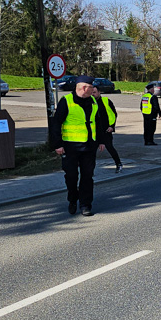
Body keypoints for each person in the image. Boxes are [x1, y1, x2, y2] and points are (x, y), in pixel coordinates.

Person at [51, 76, 109, 216]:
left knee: (87, 176)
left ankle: (85, 205)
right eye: (91, 87)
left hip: (89, 146)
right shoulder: (66, 101)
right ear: (84, 88)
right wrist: (58, 144)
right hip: (70, 147)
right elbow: (56, 123)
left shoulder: (93, 101)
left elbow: (98, 122)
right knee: (71, 176)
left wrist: (102, 141)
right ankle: (72, 199)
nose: (93, 90)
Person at [93, 86, 123, 173]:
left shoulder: (106, 101)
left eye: (94, 92)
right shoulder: (89, 102)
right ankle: (90, 170)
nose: (93, 94)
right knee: (92, 151)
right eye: (91, 92)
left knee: (110, 147)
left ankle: (118, 164)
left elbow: (113, 114)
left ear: (99, 92)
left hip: (105, 130)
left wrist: (112, 126)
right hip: (94, 131)